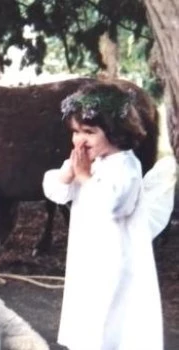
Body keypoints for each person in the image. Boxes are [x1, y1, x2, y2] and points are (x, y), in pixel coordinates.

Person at [43, 83, 176, 350]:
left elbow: (115, 205)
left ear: (115, 132)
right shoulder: (89, 161)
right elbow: (56, 191)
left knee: (111, 317)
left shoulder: (126, 165)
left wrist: (84, 177)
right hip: (89, 253)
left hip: (115, 257)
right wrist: (67, 175)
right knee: (88, 314)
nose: (79, 140)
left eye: (89, 132)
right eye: (75, 132)